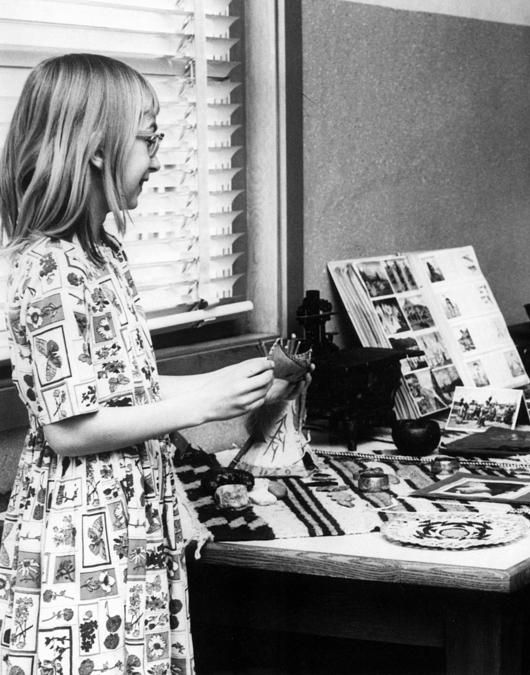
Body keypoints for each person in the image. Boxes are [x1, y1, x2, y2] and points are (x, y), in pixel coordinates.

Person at [0, 54, 278, 674]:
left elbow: (128, 388)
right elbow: (68, 428)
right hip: (79, 544)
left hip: (132, 527)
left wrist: (233, 385)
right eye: (148, 138)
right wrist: (202, 405)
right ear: (96, 148)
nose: (158, 157)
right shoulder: (47, 267)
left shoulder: (104, 252)